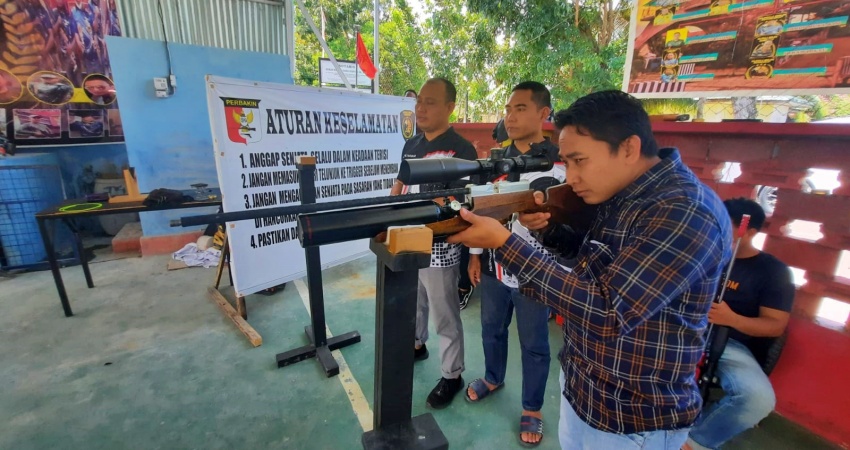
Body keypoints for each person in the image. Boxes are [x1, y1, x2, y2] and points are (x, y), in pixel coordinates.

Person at [447, 90, 733, 449]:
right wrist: (547, 231)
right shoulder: (620, 192)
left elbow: (608, 311)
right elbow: (593, 260)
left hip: (631, 419)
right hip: (584, 390)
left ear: (628, 148)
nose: (573, 176)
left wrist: (506, 243)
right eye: (567, 162)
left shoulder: (685, 211)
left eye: (580, 160)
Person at [465, 81, 563, 447]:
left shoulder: (560, 161)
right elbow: (477, 209)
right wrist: (475, 257)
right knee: (491, 327)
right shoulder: (494, 161)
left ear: (543, 113)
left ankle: (533, 408)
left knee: (535, 342)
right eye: (508, 108)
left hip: (537, 271)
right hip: (493, 262)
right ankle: (493, 377)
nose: (510, 115)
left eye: (520, 108)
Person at [389, 77, 478, 409]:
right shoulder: (411, 145)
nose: (420, 108)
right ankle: (416, 345)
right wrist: (390, 208)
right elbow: (399, 182)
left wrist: (445, 204)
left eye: (430, 102)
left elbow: (463, 203)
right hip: (408, 236)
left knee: (444, 313)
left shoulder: (463, 150)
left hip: (441, 242)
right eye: (419, 101)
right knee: (415, 302)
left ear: (450, 107)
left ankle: (452, 375)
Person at [685, 198, 794, 450]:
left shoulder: (773, 271)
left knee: (757, 399)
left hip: (729, 343)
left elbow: (775, 325)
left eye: (725, 226)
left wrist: (731, 319)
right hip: (683, 331)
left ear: (750, 232)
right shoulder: (702, 255)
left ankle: (694, 442)